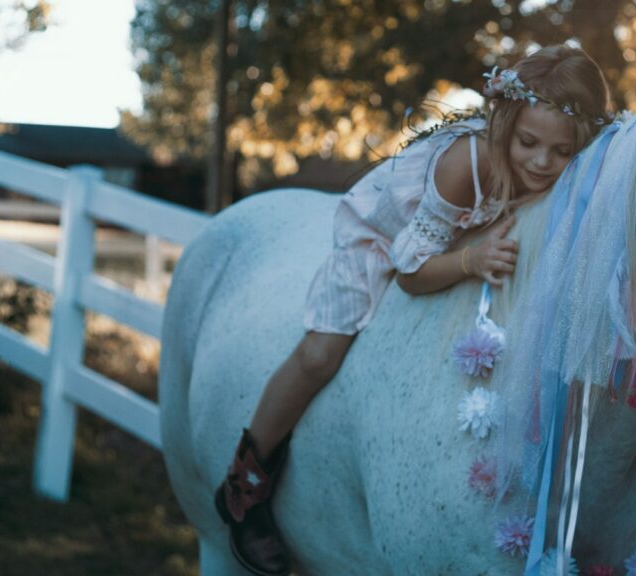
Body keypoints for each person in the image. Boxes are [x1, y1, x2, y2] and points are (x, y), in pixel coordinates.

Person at [214, 45, 613, 575]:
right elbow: (409, 271)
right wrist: (470, 259)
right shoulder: (468, 163)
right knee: (321, 352)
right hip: (385, 238)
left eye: (561, 152)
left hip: (457, 234)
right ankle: (246, 482)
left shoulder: (562, 170)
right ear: (506, 125)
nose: (541, 162)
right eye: (529, 143)